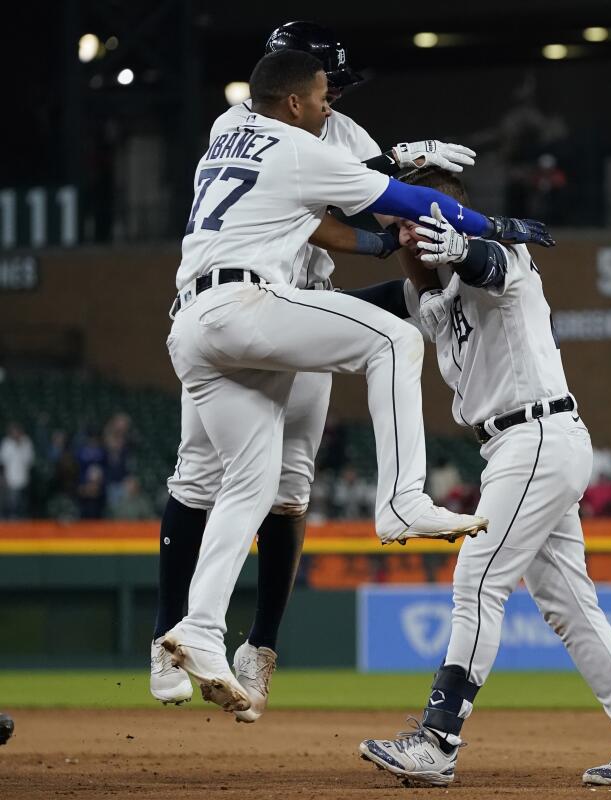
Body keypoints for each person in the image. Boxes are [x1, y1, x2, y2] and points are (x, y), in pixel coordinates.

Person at [159, 49, 553, 716]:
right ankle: (401, 499)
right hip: (244, 304)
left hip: (191, 326)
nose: (326, 107)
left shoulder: (227, 139)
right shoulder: (292, 144)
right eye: (318, 97)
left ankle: (197, 628)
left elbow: (346, 210)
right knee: (395, 338)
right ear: (290, 104)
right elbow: (408, 201)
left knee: (251, 484)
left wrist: (382, 205)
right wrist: (494, 226)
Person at [357, 168, 611, 787]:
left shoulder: (505, 256)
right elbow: (355, 306)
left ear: (444, 220)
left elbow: (488, 263)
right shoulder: (432, 292)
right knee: (570, 609)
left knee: (478, 581)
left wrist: (458, 239)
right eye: (398, 226)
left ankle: (438, 738)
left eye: (412, 222)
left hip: (535, 436)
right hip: (519, 447)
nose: (403, 236)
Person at [0, 423, 35, 519]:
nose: (15, 434)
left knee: (23, 502)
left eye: (17, 431)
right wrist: (3, 478)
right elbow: (3, 462)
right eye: (13, 432)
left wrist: (20, 446)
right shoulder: (6, 443)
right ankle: (12, 519)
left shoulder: (27, 442)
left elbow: (30, 460)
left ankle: (21, 520)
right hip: (10, 478)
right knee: (11, 502)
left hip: (24, 477)